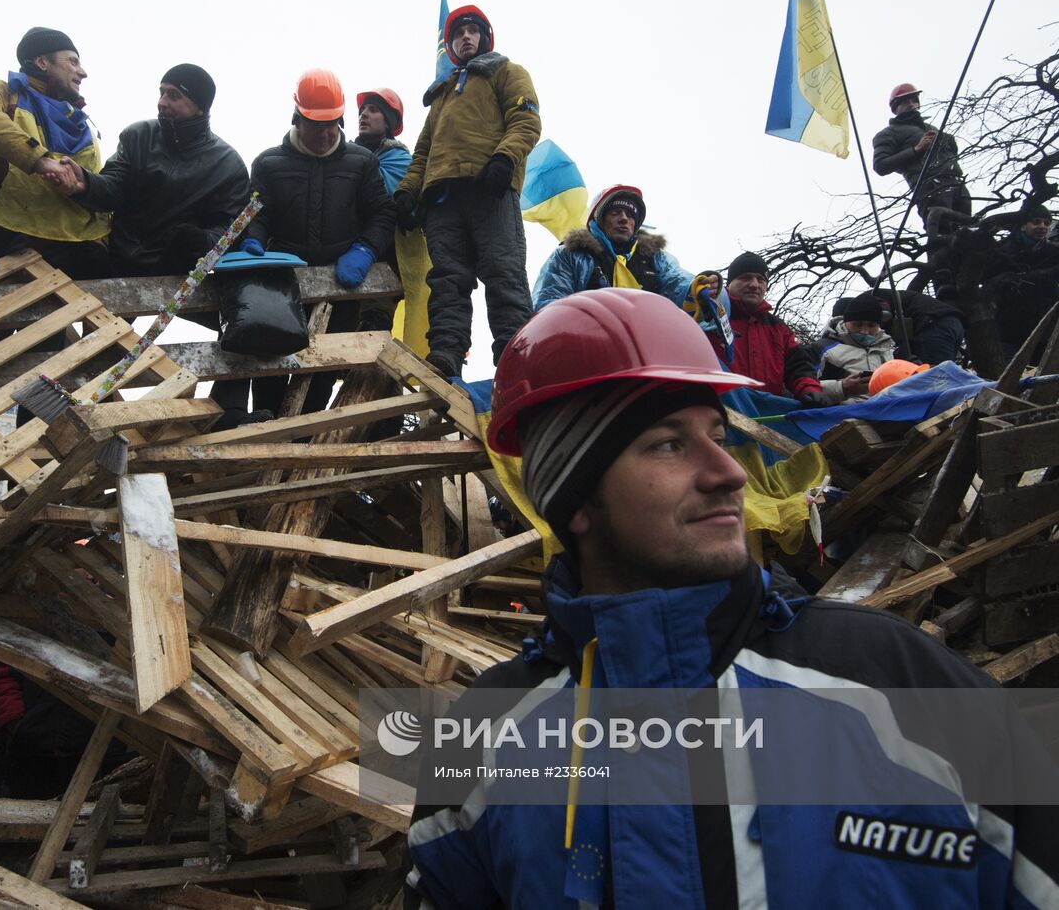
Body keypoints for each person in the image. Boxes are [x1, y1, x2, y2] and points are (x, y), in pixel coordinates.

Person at [405, 287, 1059, 908]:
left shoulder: (901, 684)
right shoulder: (485, 735)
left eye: (718, 437)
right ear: (574, 500)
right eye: (669, 444)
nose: (727, 474)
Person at [237, 68, 395, 414]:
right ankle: (267, 432)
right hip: (282, 282)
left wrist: (366, 248)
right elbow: (257, 214)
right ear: (298, 119)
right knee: (272, 361)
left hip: (341, 283)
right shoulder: (269, 163)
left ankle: (303, 437)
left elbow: (382, 213)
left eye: (332, 124)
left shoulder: (362, 162)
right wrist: (253, 240)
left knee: (324, 367)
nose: (325, 134)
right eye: (316, 125)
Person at [395, 4, 541, 378]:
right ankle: (446, 353)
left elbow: (525, 118)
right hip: (442, 201)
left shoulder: (507, 71)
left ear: (485, 37)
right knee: (447, 280)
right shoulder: (440, 96)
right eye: (459, 33)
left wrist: (504, 160)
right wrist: (408, 191)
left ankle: (515, 356)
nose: (465, 37)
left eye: (473, 30)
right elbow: (423, 151)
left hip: (489, 189)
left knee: (504, 273)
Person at [0, 26, 111, 280]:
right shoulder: (6, 94)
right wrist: (40, 161)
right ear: (42, 62)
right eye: (73, 61)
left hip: (85, 250)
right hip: (20, 248)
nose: (82, 72)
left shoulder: (81, 120)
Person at [63, 64, 250, 279]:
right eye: (161, 93)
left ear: (200, 106)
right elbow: (114, 186)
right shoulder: (138, 135)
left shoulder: (228, 165)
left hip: (176, 271)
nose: (162, 102)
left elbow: (231, 228)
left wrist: (201, 240)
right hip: (116, 258)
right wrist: (85, 184)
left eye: (174, 95)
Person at [531, 184, 694, 311]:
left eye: (630, 215)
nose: (624, 219)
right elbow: (549, 308)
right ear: (599, 220)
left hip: (650, 347)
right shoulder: (570, 255)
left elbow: (678, 281)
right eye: (615, 212)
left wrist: (699, 287)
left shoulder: (655, 258)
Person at [354, 87, 430, 347]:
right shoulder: (346, 156)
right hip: (345, 253)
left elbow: (385, 195)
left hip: (385, 259)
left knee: (372, 334)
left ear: (388, 122)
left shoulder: (399, 159)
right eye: (362, 110)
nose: (364, 114)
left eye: (373, 110)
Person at [709, 252, 830, 405]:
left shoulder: (779, 329)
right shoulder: (708, 316)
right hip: (716, 412)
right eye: (745, 277)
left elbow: (799, 365)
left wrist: (809, 388)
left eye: (761, 279)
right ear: (729, 283)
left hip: (765, 419)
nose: (754, 284)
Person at [872, 83, 971, 237]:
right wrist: (916, 149)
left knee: (967, 232)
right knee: (942, 236)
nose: (911, 104)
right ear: (896, 107)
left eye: (914, 100)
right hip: (930, 189)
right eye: (905, 102)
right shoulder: (888, 133)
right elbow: (881, 166)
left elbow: (950, 154)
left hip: (956, 184)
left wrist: (949, 143)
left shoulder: (931, 127)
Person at [991, 208, 1059, 361]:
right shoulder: (1004, 250)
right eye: (1036, 222)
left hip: (1045, 331)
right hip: (1009, 331)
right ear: (1023, 225)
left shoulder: (1053, 253)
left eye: (1046, 223)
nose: (1042, 226)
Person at [812, 292, 897, 404]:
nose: (865, 332)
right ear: (846, 322)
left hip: (889, 411)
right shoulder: (822, 348)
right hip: (841, 415)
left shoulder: (891, 351)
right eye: (857, 324)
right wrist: (841, 388)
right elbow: (802, 385)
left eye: (871, 325)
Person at [868, 286, 967, 366]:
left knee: (935, 375)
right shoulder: (893, 296)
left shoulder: (866, 300)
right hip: (953, 324)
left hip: (933, 325)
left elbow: (884, 313)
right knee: (946, 369)